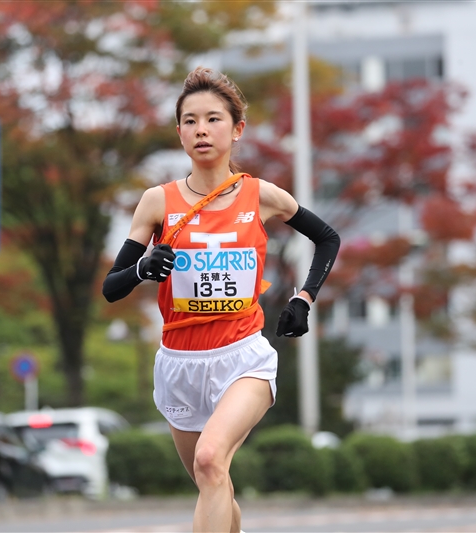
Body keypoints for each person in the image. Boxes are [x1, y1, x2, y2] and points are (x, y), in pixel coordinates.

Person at [102, 67, 340, 533]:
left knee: (211, 462)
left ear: (237, 130)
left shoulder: (261, 194)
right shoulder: (156, 202)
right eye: (190, 121)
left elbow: (327, 238)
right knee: (213, 483)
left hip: (242, 357)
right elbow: (112, 287)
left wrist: (304, 298)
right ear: (179, 133)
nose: (201, 130)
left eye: (213, 119)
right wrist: (142, 268)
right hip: (179, 363)